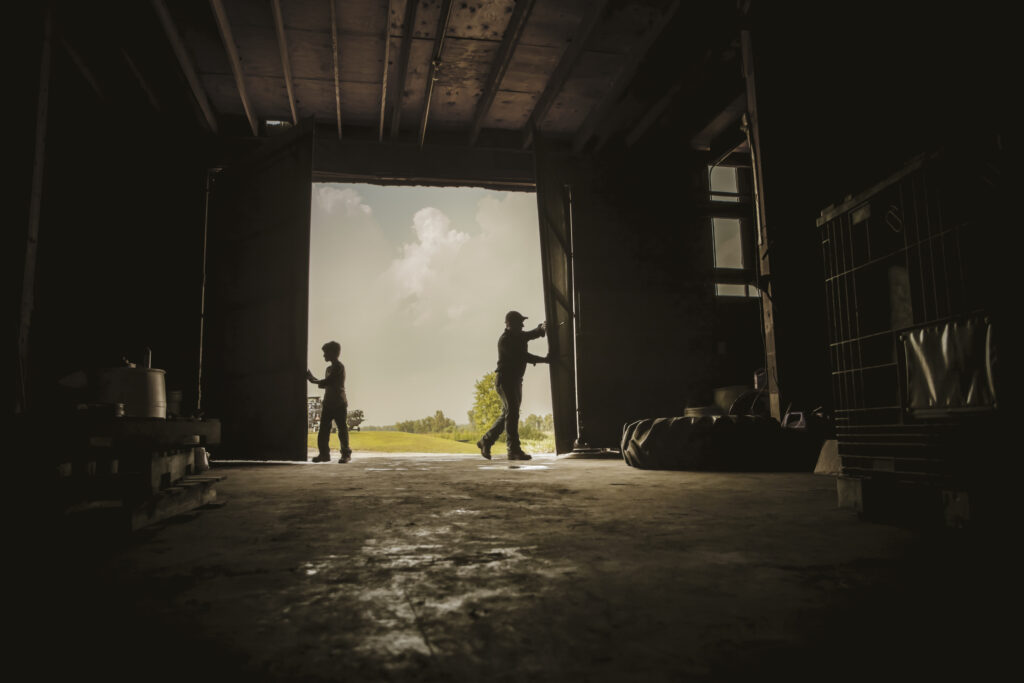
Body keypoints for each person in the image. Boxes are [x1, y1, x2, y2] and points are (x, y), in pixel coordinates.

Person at [478, 311, 550, 461]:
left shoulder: (519, 336)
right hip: (505, 381)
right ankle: (513, 450)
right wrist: (545, 360)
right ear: (510, 324)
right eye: (520, 323)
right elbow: (523, 356)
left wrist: (542, 328)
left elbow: (533, 333)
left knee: (509, 414)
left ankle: (486, 440)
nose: (523, 325)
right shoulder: (505, 341)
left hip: (515, 380)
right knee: (512, 413)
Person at [306, 341, 352, 463]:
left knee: (342, 429)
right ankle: (324, 454)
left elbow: (328, 381)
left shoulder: (339, 367)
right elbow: (326, 383)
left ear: (333, 353)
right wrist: (313, 379)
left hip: (339, 403)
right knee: (323, 430)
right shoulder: (329, 368)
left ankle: (346, 454)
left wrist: (311, 379)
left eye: (325, 353)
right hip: (328, 403)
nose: (324, 355)